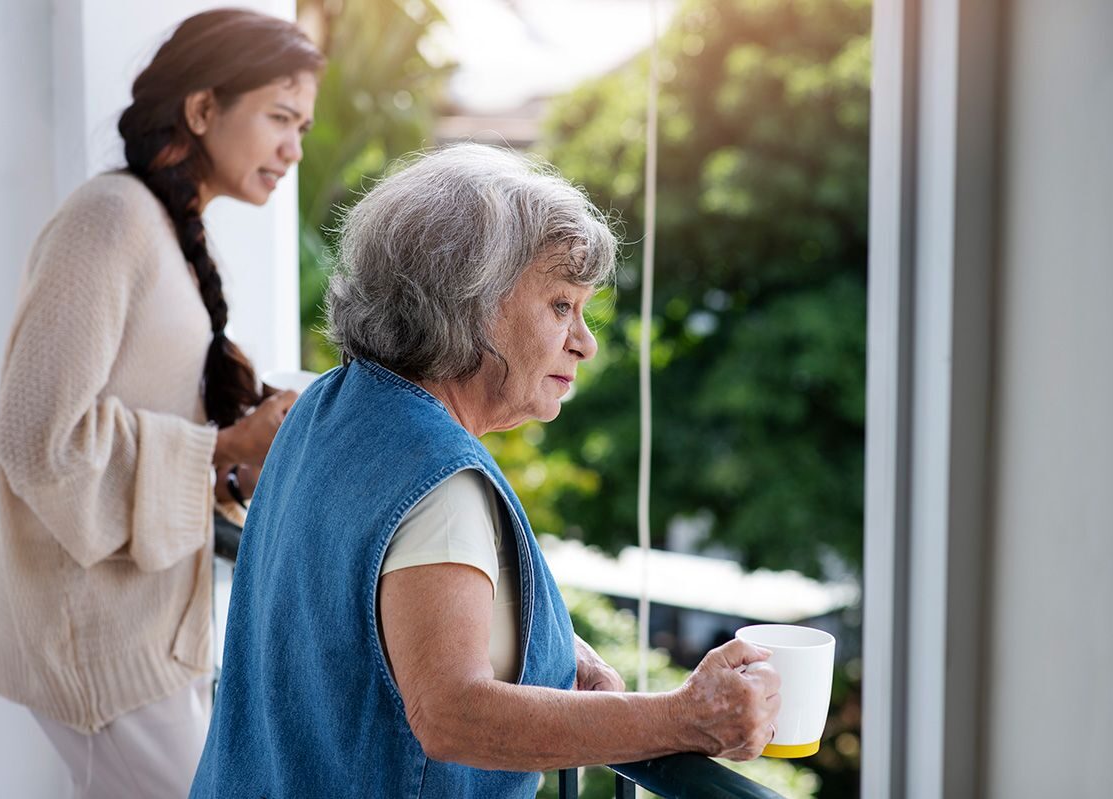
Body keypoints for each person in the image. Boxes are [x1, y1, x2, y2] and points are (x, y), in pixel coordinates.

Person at [189, 144, 781, 798]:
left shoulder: (328, 406)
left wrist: (553, 650)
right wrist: (682, 717)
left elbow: (375, 618)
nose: (584, 340)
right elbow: (453, 715)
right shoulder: (437, 479)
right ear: (471, 301)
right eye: (561, 305)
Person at [0, 9, 323, 798]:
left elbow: (135, 414)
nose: (294, 148)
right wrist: (227, 448)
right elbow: (34, 436)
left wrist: (235, 454)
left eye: (301, 125)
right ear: (202, 110)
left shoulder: (165, 226)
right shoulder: (109, 218)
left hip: (149, 632)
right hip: (97, 641)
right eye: (280, 118)